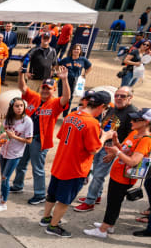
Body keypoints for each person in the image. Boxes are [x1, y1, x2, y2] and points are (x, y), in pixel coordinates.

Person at [40, 91, 112, 237]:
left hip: (60, 163)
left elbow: (60, 136)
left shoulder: (71, 115)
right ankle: (53, 227)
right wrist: (105, 136)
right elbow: (94, 150)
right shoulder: (91, 123)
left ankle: (46, 217)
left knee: (52, 194)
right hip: (75, 168)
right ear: (102, 106)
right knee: (64, 200)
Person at [84, 108, 151, 238]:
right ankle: (109, 226)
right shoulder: (134, 133)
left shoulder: (146, 140)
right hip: (117, 174)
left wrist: (117, 152)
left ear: (146, 122)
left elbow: (133, 161)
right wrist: (116, 143)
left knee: (113, 204)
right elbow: (125, 151)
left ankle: (103, 230)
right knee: (113, 202)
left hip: (124, 178)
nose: (131, 121)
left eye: (135, 120)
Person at [12, 67, 70, 204]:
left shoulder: (55, 103)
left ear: (54, 90)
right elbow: (23, 88)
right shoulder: (35, 97)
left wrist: (64, 79)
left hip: (39, 141)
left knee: (37, 168)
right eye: (44, 88)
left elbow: (67, 97)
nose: (45, 90)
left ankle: (40, 194)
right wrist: (21, 74)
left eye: (48, 88)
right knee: (20, 163)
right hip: (26, 138)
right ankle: (18, 185)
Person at [74, 86, 137, 212]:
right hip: (101, 143)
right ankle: (96, 196)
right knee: (97, 173)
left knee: (98, 175)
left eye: (123, 96)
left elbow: (131, 139)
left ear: (130, 97)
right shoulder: (113, 108)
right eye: (117, 95)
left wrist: (115, 153)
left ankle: (90, 201)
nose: (119, 98)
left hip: (111, 148)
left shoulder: (133, 113)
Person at [0, 98, 33, 212]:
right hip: (4, 151)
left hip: (15, 154)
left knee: (5, 177)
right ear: (11, 108)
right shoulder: (8, 120)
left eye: (21, 106)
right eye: (16, 106)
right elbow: (3, 135)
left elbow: (29, 141)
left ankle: (3, 204)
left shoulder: (27, 121)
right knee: (2, 176)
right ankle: (1, 197)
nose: (19, 108)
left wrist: (14, 137)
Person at [58, 44, 92, 117]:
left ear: (80, 51)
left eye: (78, 49)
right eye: (75, 49)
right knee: (60, 98)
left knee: (69, 99)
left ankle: (65, 115)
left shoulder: (83, 60)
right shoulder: (66, 59)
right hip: (63, 81)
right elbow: (57, 66)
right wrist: (59, 72)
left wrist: (84, 74)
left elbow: (90, 67)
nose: (76, 51)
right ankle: (57, 112)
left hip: (74, 82)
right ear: (72, 50)